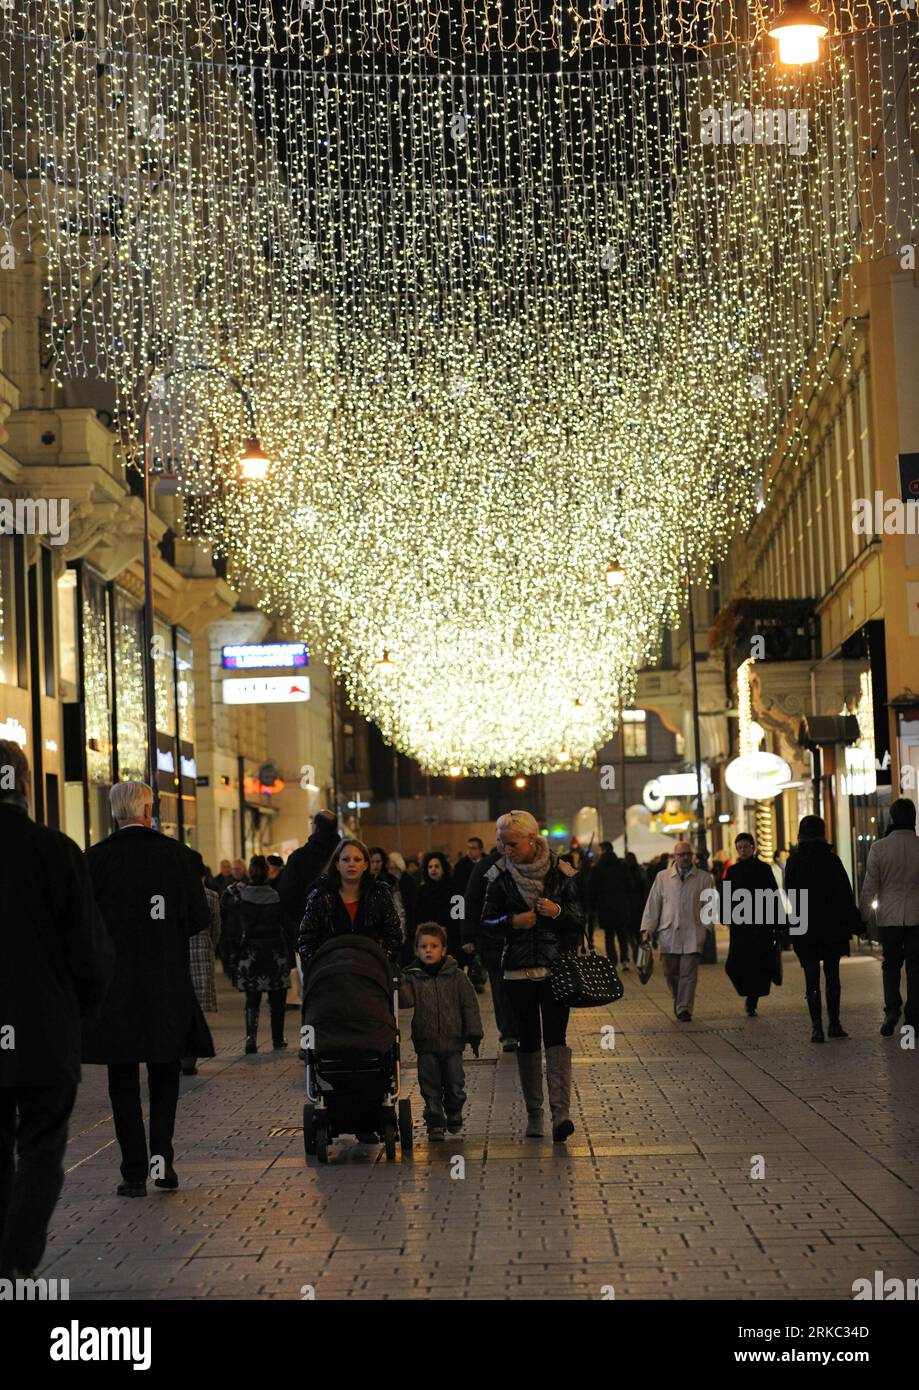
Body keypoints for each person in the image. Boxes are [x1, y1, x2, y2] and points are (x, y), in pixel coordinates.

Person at [0, 741, 112, 1278]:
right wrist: (84, 1010)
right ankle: (15, 1265)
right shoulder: (57, 851)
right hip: (44, 1027)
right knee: (41, 1151)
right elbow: (88, 949)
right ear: (25, 784)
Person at [83, 781, 212, 1197]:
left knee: (121, 1080)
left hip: (116, 987)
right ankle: (162, 1163)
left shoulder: (94, 861)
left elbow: (83, 925)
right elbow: (197, 919)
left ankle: (132, 1172)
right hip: (165, 982)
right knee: (164, 1075)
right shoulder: (179, 857)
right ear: (147, 810)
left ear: (114, 812)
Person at [481, 811, 584, 1141]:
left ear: (532, 839)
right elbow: (486, 922)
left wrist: (556, 912)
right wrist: (513, 922)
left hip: (555, 968)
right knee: (527, 1042)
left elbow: (579, 918)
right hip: (517, 971)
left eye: (512, 843)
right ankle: (534, 1115)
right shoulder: (499, 877)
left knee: (556, 1039)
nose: (506, 849)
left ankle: (561, 1115)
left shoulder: (561, 872)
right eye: (502, 843)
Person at [399, 923, 483, 1141]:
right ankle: (434, 1119)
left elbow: (469, 1005)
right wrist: (399, 983)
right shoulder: (413, 977)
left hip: (453, 1042)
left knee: (455, 1083)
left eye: (434, 946)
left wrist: (473, 1033)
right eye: (423, 946)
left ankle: (454, 1110)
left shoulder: (456, 977)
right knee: (430, 1083)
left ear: (443, 949)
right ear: (416, 950)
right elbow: (406, 1002)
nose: (428, 950)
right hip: (425, 1042)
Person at [784, 815, 860, 1043]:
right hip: (831, 927)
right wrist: (854, 922)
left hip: (805, 927)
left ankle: (816, 1028)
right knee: (833, 975)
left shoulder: (794, 862)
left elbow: (790, 894)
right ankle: (834, 1023)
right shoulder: (832, 860)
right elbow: (845, 894)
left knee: (811, 978)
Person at [859, 797, 919, 1036]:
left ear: (892, 818)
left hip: (890, 917)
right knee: (916, 967)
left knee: (891, 964)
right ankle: (913, 1018)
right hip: (916, 917)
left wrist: (863, 917)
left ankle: (892, 1008)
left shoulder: (879, 848)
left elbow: (869, 885)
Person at [298, 837, 403, 968]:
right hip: (331, 973)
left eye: (357, 860)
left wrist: (382, 963)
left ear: (365, 865)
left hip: (371, 972)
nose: (351, 864)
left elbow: (393, 935)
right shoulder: (320, 897)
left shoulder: (380, 894)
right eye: (346, 859)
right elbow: (307, 939)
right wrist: (319, 967)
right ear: (337, 865)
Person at [224, 855, 291, 1054]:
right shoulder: (277, 896)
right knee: (277, 1001)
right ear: (268, 871)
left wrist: (239, 885)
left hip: (250, 953)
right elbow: (286, 925)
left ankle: (250, 1039)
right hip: (275, 952)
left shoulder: (242, 896)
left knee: (252, 1000)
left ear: (250, 872)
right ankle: (277, 1039)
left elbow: (224, 900)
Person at [640, 840, 714, 1022]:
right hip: (669, 933)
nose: (686, 858)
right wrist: (647, 929)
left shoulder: (704, 878)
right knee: (671, 973)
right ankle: (679, 998)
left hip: (693, 933)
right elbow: (653, 905)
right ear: (675, 857)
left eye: (689, 854)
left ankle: (684, 1008)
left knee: (688, 975)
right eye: (682, 855)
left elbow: (710, 905)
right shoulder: (662, 877)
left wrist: (706, 928)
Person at [461, 844, 519, 1050]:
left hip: (522, 939)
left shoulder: (526, 864)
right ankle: (509, 1033)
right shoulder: (485, 867)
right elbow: (471, 902)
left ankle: (521, 1030)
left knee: (522, 988)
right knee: (500, 987)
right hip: (493, 939)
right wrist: (468, 936)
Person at [721, 833, 784, 1018]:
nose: (743, 850)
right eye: (739, 847)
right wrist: (726, 916)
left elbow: (773, 895)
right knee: (734, 964)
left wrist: (778, 921)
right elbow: (726, 896)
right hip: (740, 927)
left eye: (745, 846)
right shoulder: (732, 871)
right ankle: (748, 993)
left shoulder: (763, 869)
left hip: (760, 926)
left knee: (757, 963)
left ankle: (752, 999)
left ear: (753, 847)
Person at [181, 851, 221, 1075]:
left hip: (180, 955)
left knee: (181, 1006)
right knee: (196, 1010)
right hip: (202, 954)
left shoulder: (174, 894)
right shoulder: (211, 896)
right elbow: (216, 929)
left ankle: (182, 1055)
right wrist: (210, 947)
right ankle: (190, 1058)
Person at [279, 808, 341, 935]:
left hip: (307, 927)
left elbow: (287, 893)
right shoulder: (345, 856)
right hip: (340, 926)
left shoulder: (299, 857)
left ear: (316, 828)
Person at [587, 842, 631, 966]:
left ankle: (613, 961)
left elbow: (591, 889)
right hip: (621, 905)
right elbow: (629, 884)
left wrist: (593, 906)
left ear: (603, 850)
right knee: (622, 934)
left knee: (609, 936)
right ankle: (625, 960)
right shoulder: (622, 866)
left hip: (605, 906)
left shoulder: (597, 868)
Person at [415, 851, 460, 960]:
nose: (433, 869)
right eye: (430, 867)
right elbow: (418, 915)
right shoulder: (422, 891)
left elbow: (459, 916)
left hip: (450, 937)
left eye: (436, 866)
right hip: (428, 938)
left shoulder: (455, 889)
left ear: (443, 868)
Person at [623, 852, 649, 958]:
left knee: (629, 930)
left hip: (627, 904)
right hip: (639, 903)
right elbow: (646, 887)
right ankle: (637, 947)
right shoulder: (640, 871)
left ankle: (633, 946)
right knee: (638, 929)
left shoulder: (623, 872)